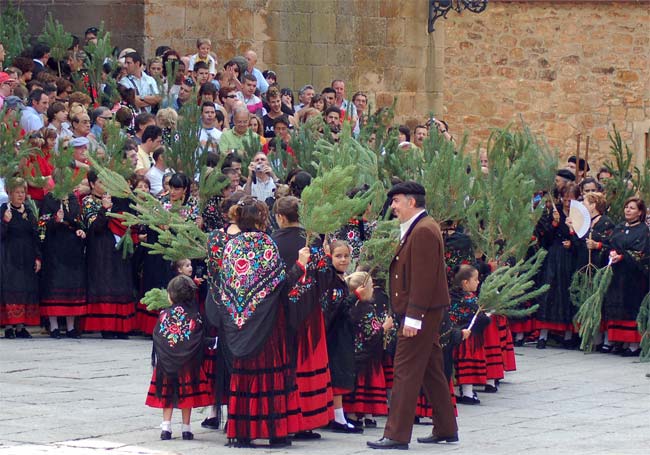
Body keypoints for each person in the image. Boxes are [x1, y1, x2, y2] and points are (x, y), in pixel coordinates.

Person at [367, 181, 457, 450]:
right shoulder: (419, 227)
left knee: (405, 371)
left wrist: (412, 317)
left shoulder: (423, 231)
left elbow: (424, 279)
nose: (392, 207)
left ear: (411, 202)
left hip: (421, 312)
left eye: (396, 201)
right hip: (420, 310)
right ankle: (446, 428)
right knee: (431, 370)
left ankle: (396, 435)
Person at [146, 275, 213, 441]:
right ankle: (186, 428)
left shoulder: (163, 315)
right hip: (187, 365)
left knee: (167, 394)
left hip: (166, 364)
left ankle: (166, 427)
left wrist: (165, 354)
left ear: (171, 296)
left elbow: (158, 336)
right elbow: (198, 339)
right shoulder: (195, 316)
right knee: (186, 396)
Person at [82, 170, 136, 339]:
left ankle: (121, 326)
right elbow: (94, 227)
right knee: (104, 286)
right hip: (99, 251)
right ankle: (106, 327)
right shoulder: (88, 201)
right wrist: (104, 210)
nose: (104, 186)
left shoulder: (117, 199)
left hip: (117, 248)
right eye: (99, 182)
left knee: (120, 283)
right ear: (91, 184)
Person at [39, 177, 87, 339]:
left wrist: (80, 231)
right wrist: (55, 220)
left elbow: (79, 222)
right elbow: (41, 223)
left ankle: (71, 326)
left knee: (72, 284)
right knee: (54, 284)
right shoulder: (49, 199)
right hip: (54, 247)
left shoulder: (74, 200)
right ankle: (53, 326)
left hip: (72, 248)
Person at [343, 271, 392, 427]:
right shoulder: (366, 308)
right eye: (371, 286)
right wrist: (385, 327)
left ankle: (357, 415)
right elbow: (372, 333)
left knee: (358, 387)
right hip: (367, 356)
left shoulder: (351, 306)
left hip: (354, 354)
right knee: (365, 387)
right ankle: (362, 414)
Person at [535, 183, 581, 349]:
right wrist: (554, 224)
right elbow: (545, 241)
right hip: (554, 256)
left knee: (566, 292)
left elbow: (582, 239)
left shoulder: (579, 214)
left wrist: (572, 240)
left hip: (569, 258)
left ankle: (568, 335)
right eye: (565, 198)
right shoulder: (554, 213)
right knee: (549, 292)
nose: (568, 202)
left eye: (571, 199)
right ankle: (543, 335)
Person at [602, 197, 649, 356]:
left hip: (634, 276)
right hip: (617, 274)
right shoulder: (620, 227)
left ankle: (633, 345)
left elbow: (640, 253)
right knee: (616, 306)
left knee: (631, 307)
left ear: (640, 212)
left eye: (632, 208)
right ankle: (618, 341)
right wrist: (612, 252)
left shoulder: (643, 230)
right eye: (626, 207)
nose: (628, 210)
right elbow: (610, 243)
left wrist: (622, 256)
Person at [1, 178, 41, 339]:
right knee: (11, 290)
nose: (20, 195)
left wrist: (38, 257)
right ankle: (9, 326)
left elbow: (35, 235)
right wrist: (5, 222)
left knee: (25, 289)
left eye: (22, 192)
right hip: (9, 256)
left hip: (27, 255)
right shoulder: (4, 209)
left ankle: (21, 326)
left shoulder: (29, 211)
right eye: (17, 192)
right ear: (10, 194)